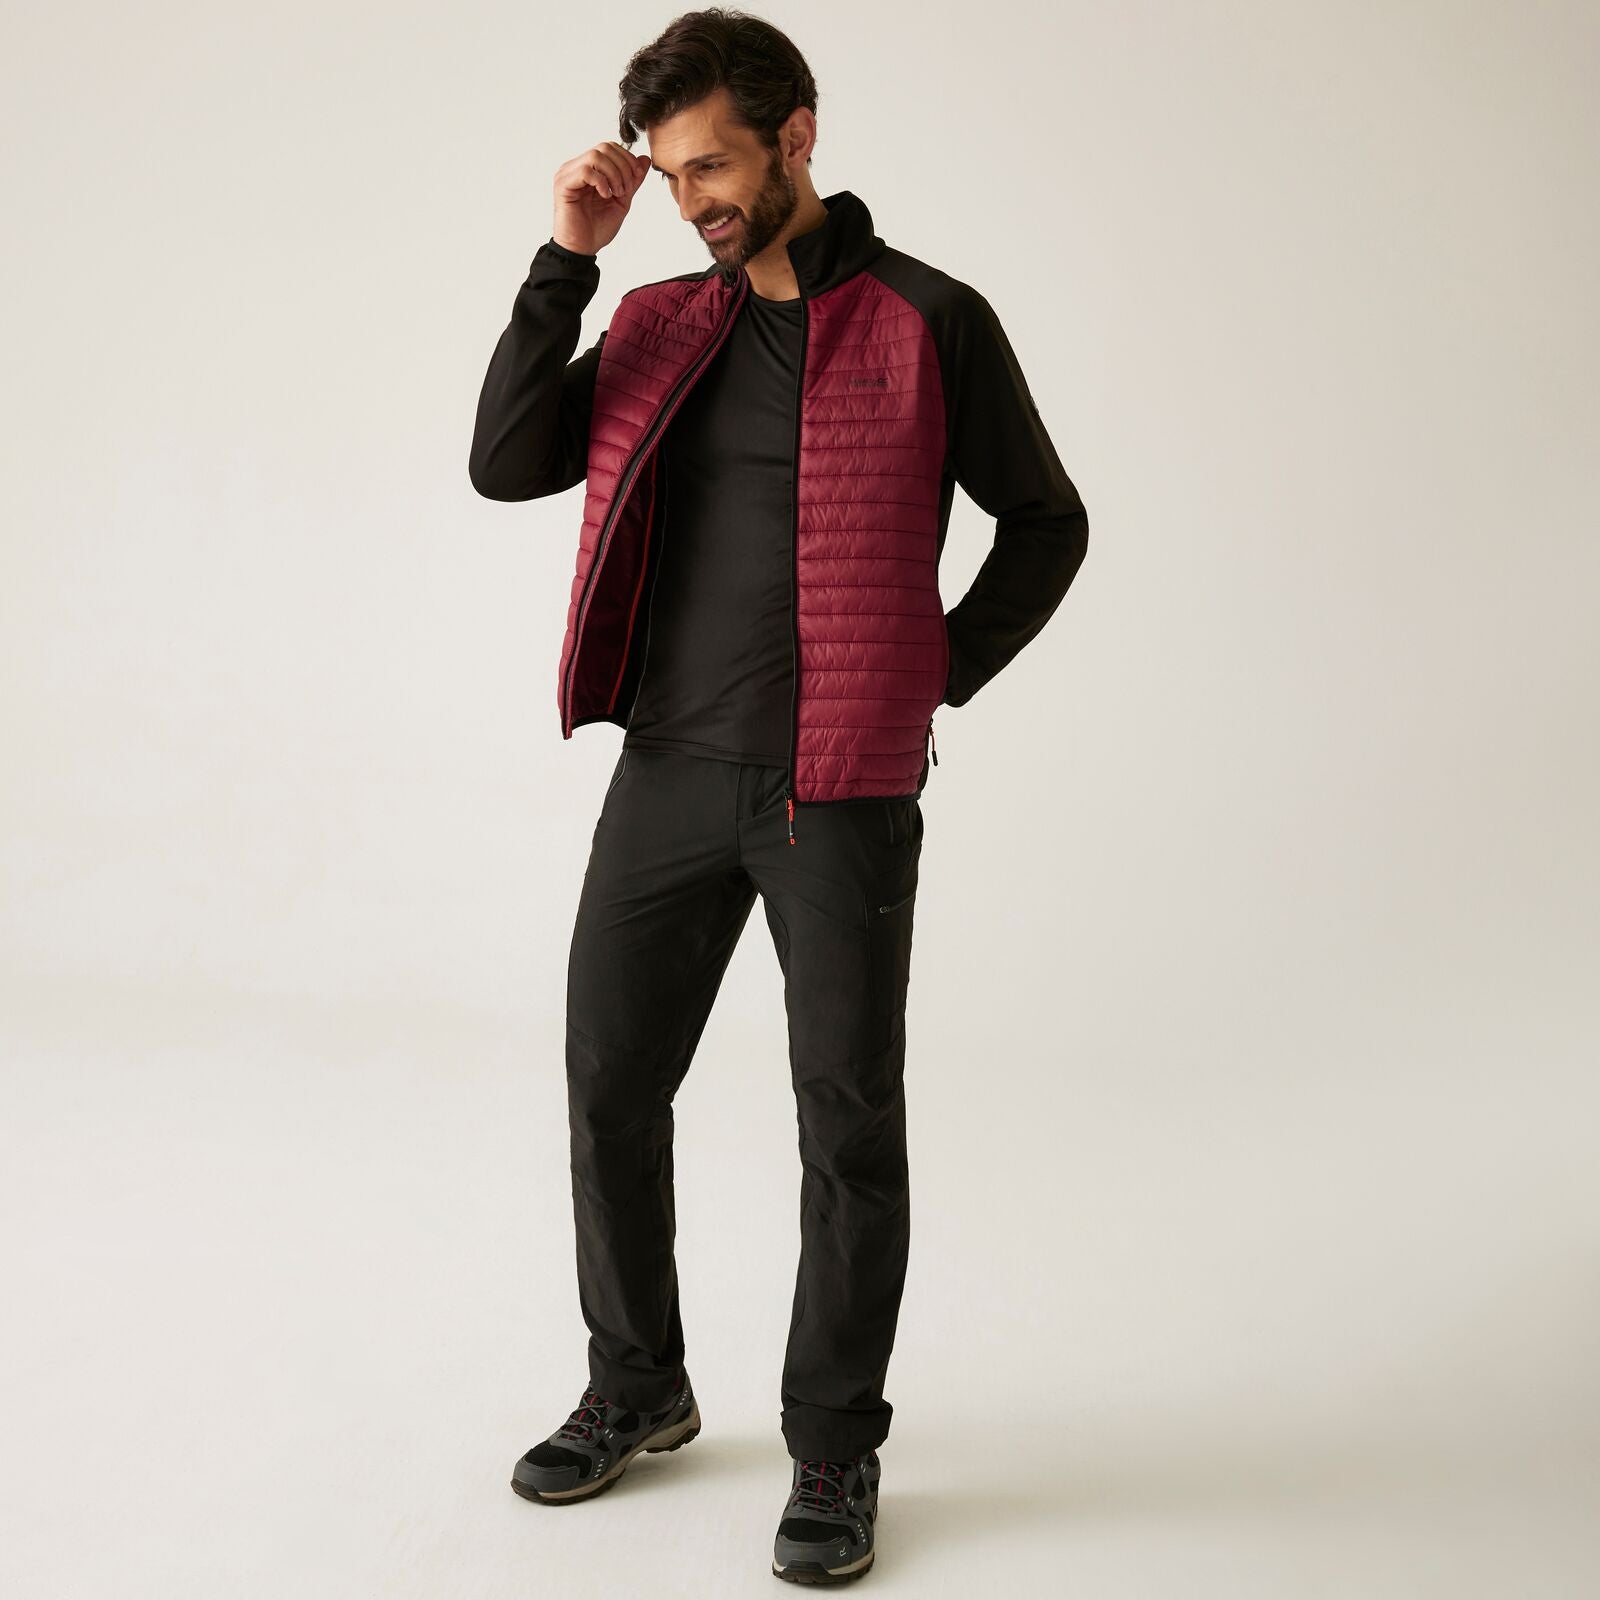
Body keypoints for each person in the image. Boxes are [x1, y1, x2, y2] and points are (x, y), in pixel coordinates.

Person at [468, 9, 1088, 1583]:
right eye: (673, 174)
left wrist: (931, 671)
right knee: (609, 1084)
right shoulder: (660, 319)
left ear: (797, 138)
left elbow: (1048, 522)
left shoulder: (932, 319)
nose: (694, 200)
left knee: (845, 1125)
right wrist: (567, 261)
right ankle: (638, 1383)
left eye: (715, 167)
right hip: (669, 771)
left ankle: (834, 1448)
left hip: (840, 794)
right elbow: (508, 459)